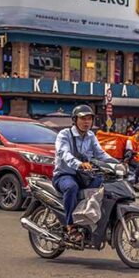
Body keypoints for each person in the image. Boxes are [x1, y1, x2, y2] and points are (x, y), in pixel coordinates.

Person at [53, 104, 118, 242]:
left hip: (84, 176)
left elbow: (101, 154)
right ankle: (70, 226)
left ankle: (93, 218)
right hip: (65, 175)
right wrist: (79, 164)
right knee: (72, 188)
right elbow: (63, 153)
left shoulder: (90, 136)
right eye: (83, 118)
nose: (86, 122)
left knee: (103, 184)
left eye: (89, 119)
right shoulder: (64, 135)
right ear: (75, 120)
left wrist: (117, 164)